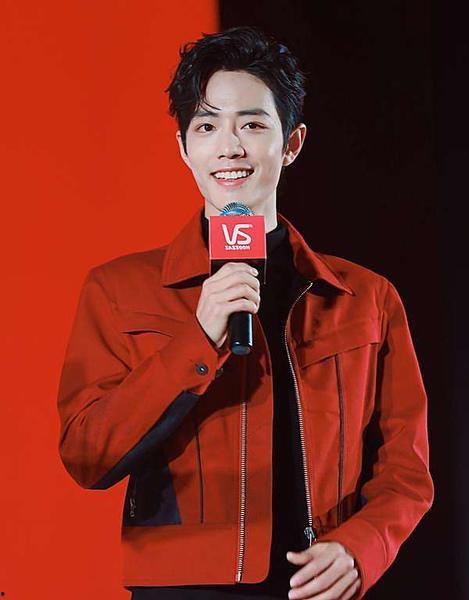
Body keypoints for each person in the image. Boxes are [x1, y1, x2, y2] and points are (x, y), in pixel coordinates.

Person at [56, 25, 434, 600]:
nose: (229, 147)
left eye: (252, 125)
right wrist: (198, 337)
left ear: (292, 143)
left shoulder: (366, 297)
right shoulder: (117, 290)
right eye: (207, 127)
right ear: (184, 148)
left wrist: (362, 546)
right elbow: (87, 454)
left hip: (314, 584)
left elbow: (406, 467)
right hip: (181, 589)